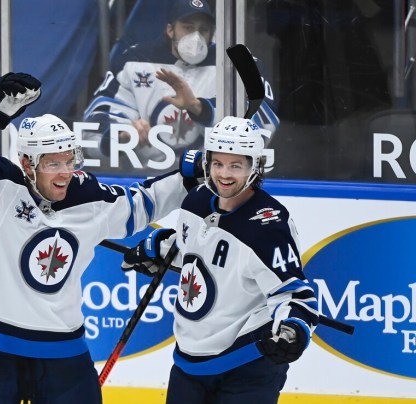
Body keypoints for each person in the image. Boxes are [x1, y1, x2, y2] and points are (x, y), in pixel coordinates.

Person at [0, 72, 202, 403]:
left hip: (62, 350)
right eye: (52, 163)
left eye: (69, 160)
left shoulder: (86, 196)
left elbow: (142, 204)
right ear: (26, 163)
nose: (65, 171)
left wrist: (193, 177)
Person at [121, 116, 319, 403]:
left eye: (236, 165)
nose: (224, 174)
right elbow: (198, 252)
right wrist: (158, 248)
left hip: (247, 361)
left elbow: (294, 294)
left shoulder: (267, 226)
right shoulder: (196, 200)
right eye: (218, 163)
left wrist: (293, 329)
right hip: (190, 359)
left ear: (255, 166)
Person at [82, 0, 278, 172]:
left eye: (203, 29)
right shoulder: (134, 61)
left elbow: (261, 129)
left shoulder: (241, 65)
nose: (196, 36)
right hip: (144, 181)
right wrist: (123, 137)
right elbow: (93, 129)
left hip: (214, 182)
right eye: (187, 27)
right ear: (170, 29)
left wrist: (199, 108)